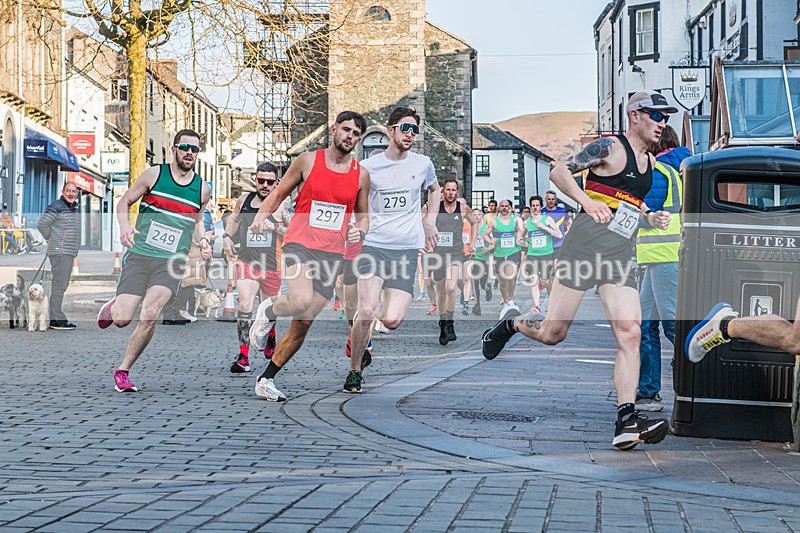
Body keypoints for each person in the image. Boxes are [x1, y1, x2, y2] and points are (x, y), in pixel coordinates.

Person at [481, 90, 675, 451]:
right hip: (582, 250)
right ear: (635, 115)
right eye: (657, 116)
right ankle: (513, 324)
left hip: (618, 256)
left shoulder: (648, 163)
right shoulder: (609, 147)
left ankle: (626, 418)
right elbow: (558, 171)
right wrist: (585, 201)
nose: (663, 123)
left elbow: (626, 204)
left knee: (630, 334)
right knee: (554, 333)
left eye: (666, 117)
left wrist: (650, 218)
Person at [248, 111, 370, 402]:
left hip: (332, 254)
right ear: (334, 129)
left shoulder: (360, 174)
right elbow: (278, 193)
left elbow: (364, 217)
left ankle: (266, 379)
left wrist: (360, 232)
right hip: (299, 243)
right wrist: (261, 216)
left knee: (304, 321)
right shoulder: (307, 160)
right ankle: (269, 310)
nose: (349, 136)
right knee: (300, 300)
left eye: (355, 133)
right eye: (346, 129)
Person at [97, 129, 212, 393]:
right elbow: (124, 201)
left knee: (150, 313)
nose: (190, 153)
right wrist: (124, 227)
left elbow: (196, 224)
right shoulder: (154, 175)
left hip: (171, 262)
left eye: (195, 150)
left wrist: (203, 241)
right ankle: (114, 307)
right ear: (174, 149)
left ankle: (123, 370)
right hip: (140, 255)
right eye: (185, 148)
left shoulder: (202, 189)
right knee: (123, 319)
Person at [345, 107, 440, 392]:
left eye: (415, 130)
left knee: (391, 319)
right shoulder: (369, 167)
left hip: (406, 250)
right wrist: (353, 225)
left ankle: (361, 334)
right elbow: (353, 200)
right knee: (366, 307)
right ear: (391, 130)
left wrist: (430, 221)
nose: (410, 134)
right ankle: (354, 371)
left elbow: (434, 190)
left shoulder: (422, 164)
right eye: (405, 128)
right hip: (373, 245)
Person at [635, 125, 690, 412]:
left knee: (671, 325)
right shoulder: (678, 168)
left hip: (662, 256)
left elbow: (648, 211)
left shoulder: (660, 171)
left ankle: (698, 375)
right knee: (645, 326)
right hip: (661, 257)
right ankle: (648, 393)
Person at [223, 162, 291, 373]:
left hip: (272, 265)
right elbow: (233, 220)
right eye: (260, 180)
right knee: (245, 306)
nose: (264, 185)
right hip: (247, 262)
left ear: (276, 183)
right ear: (255, 180)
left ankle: (270, 335)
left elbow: (294, 232)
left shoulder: (283, 205)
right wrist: (227, 236)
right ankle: (243, 357)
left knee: (269, 309)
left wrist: (275, 227)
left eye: (269, 182)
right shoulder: (244, 200)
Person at [423, 180, 477, 345]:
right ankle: (442, 321)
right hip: (438, 254)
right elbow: (424, 223)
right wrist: (425, 239)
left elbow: (475, 222)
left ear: (457, 192)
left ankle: (451, 321)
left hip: (456, 253)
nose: (451, 193)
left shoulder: (462, 209)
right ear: (443, 191)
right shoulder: (435, 208)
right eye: (448, 190)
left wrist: (473, 241)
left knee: (451, 287)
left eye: (454, 190)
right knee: (441, 291)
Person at [37, 182, 80, 329]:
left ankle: (55, 318)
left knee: (61, 284)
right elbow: (42, 224)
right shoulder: (56, 206)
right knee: (59, 285)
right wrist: (51, 238)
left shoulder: (73, 208)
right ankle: (57, 320)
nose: (71, 194)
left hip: (67, 252)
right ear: (62, 192)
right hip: (60, 251)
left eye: (74, 191)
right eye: (68, 191)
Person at [482, 199, 525, 318]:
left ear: (510, 208)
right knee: (502, 280)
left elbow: (519, 231)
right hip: (499, 253)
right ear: (499, 208)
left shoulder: (514, 220)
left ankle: (511, 299)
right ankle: (505, 300)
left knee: (511, 276)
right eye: (502, 206)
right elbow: (485, 234)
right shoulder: (494, 222)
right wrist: (490, 241)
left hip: (513, 251)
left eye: (507, 206)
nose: (505, 208)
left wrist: (518, 238)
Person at [523, 195, 562, 313]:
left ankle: (551, 299)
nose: (535, 208)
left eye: (537, 206)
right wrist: (521, 240)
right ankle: (537, 306)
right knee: (533, 280)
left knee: (545, 281)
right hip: (532, 254)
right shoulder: (526, 223)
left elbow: (559, 234)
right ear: (530, 207)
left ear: (541, 207)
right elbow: (522, 236)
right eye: (533, 206)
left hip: (547, 254)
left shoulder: (547, 219)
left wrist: (544, 227)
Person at [469, 207, 493, 316]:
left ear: (482, 216)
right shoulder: (469, 228)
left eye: (478, 214)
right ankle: (477, 305)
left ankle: (488, 287)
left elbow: (493, 244)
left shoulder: (486, 228)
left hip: (484, 259)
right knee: (475, 281)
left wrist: (487, 249)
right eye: (474, 215)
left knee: (482, 284)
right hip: (473, 258)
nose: (476, 217)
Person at [542, 190, 569, 257]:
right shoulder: (541, 212)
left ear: (555, 200)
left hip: (560, 244)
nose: (551, 201)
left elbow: (569, 222)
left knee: (558, 265)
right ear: (545, 199)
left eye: (553, 199)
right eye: (549, 199)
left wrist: (567, 233)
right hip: (546, 245)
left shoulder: (562, 210)